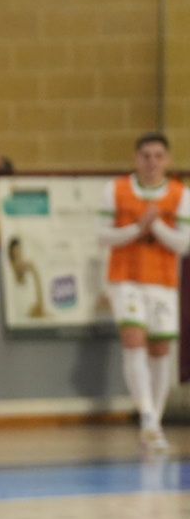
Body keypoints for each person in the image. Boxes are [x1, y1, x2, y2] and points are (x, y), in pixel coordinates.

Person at [99, 133, 190, 455]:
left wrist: (155, 226)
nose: (152, 162)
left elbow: (183, 243)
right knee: (133, 340)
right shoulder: (117, 190)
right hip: (125, 277)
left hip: (163, 280)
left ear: (168, 160)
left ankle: (155, 422)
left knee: (160, 349)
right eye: (146, 156)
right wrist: (138, 227)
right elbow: (104, 236)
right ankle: (148, 418)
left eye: (158, 156)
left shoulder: (180, 195)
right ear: (136, 159)